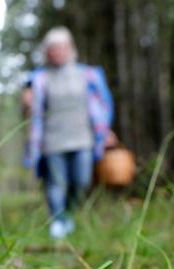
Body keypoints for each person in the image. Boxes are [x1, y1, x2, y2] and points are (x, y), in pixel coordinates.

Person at [23, 27, 115, 239]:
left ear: (70, 49)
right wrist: (26, 102)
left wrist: (107, 131)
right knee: (56, 183)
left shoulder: (89, 75)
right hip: (51, 139)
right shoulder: (38, 78)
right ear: (47, 52)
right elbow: (28, 106)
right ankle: (57, 220)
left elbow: (101, 106)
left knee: (81, 181)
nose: (57, 52)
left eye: (62, 47)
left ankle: (68, 215)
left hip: (83, 137)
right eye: (53, 48)